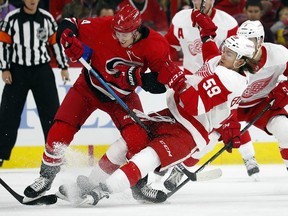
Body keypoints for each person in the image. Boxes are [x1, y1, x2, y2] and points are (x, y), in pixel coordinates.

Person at [56, 10, 256, 206]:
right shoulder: (225, 64)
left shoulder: (229, 79)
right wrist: (207, 35)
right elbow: (212, 56)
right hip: (173, 115)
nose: (223, 55)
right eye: (225, 49)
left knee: (147, 157)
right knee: (125, 143)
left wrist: (177, 80)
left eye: (229, 53)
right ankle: (91, 182)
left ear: (240, 61)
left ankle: (102, 191)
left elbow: (194, 105)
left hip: (191, 131)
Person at [23, 4, 180, 201]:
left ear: (137, 30)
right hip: (88, 88)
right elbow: (69, 24)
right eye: (116, 32)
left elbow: (161, 82)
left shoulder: (156, 44)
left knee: (138, 139)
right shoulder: (104, 25)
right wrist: (68, 39)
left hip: (122, 97)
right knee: (60, 129)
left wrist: (142, 79)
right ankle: (45, 178)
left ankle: (139, 187)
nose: (119, 37)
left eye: (125, 33)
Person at [0, 0, 69, 167]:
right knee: (8, 115)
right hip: (17, 72)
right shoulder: (12, 18)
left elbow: (56, 44)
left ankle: (55, 154)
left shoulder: (47, 18)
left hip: (42, 72)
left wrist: (63, 66)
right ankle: (0, 154)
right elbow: (4, 45)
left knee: (52, 115)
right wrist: (4, 68)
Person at [235, 20, 288, 172]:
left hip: (261, 104)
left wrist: (285, 89)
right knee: (207, 138)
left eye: (250, 40)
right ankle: (179, 169)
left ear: (260, 41)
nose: (246, 45)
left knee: (285, 129)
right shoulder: (231, 57)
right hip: (232, 106)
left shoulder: (278, 54)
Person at [165, 0, 238, 72]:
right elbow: (169, 48)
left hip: (216, 77)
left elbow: (234, 56)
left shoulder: (228, 23)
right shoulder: (180, 19)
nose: (202, 3)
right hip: (188, 77)